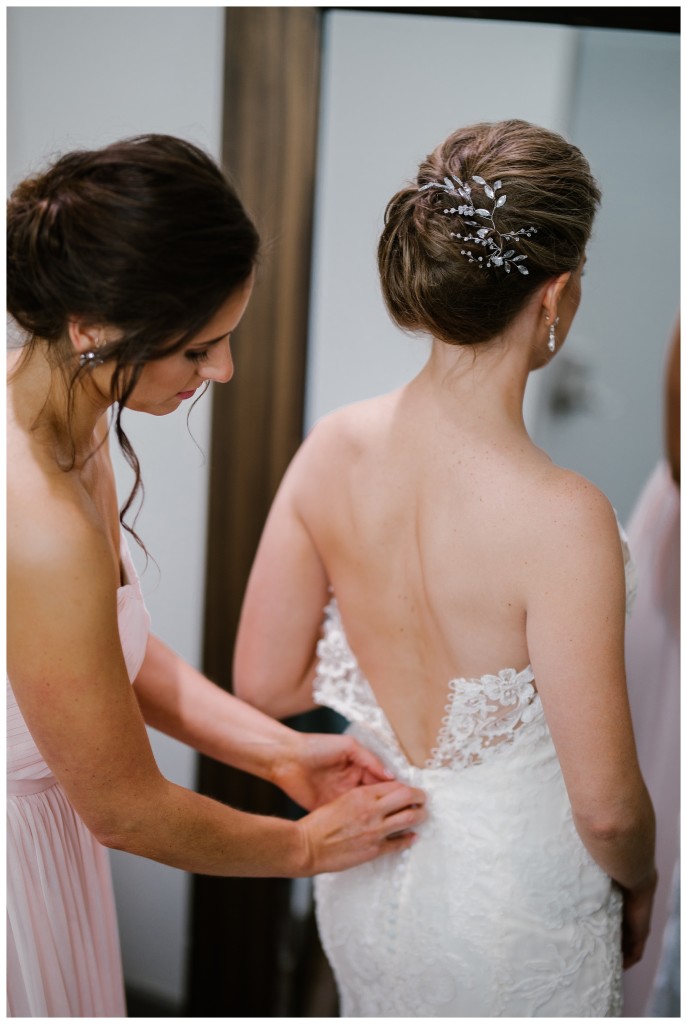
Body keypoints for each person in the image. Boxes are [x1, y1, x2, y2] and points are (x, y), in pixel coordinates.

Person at [233, 119, 657, 1016]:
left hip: (369, 862)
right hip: (518, 908)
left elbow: (262, 683)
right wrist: (645, 881)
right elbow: (609, 810)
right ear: (556, 295)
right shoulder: (561, 517)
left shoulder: (331, 449)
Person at [6, 134, 426, 1018]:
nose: (222, 371)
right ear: (92, 328)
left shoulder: (67, 411)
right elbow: (122, 810)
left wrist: (282, 754)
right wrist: (305, 849)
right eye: (198, 350)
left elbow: (112, 653)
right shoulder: (34, 521)